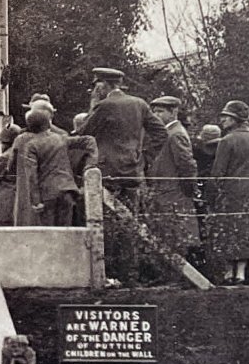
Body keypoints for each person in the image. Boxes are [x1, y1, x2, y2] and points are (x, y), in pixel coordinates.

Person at [75, 67, 167, 209]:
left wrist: (93, 104)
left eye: (95, 86)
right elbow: (161, 132)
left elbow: (83, 132)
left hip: (107, 172)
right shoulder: (139, 103)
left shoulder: (104, 105)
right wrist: (144, 157)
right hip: (132, 170)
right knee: (130, 217)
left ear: (102, 85)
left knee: (106, 218)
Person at [205, 100, 249, 285]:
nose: (222, 120)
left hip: (230, 194)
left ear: (236, 119)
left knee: (229, 230)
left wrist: (211, 196)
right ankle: (240, 273)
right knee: (246, 231)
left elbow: (218, 172)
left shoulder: (227, 141)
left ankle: (228, 273)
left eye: (227, 116)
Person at [144, 96, 200, 262]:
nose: (156, 115)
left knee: (178, 231)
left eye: (160, 111)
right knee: (168, 230)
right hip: (165, 189)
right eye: (154, 111)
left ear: (173, 112)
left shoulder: (176, 134)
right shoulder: (167, 132)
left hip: (174, 191)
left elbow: (186, 164)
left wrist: (189, 188)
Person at [12, 110, 78, 227]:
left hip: (44, 194)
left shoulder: (23, 141)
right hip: (66, 189)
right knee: (66, 230)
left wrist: (36, 201)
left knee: (47, 232)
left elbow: (31, 175)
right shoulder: (61, 136)